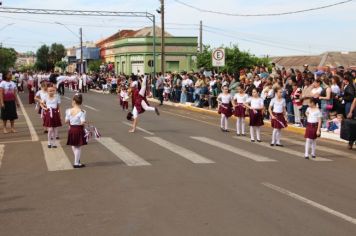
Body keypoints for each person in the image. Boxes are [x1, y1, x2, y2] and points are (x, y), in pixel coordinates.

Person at [65, 93, 87, 168]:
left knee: (73, 144)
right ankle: (76, 163)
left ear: (74, 101)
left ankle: (77, 160)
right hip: (78, 129)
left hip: (71, 129)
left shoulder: (68, 110)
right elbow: (82, 122)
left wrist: (71, 122)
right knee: (78, 146)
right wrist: (84, 125)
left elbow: (66, 121)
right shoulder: (82, 111)